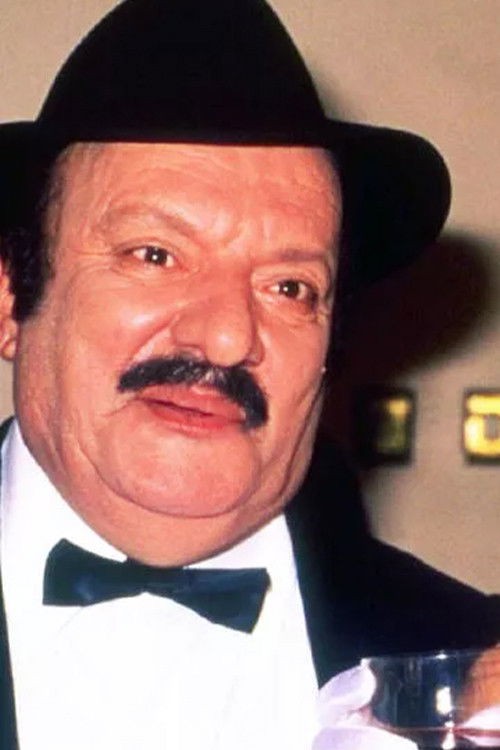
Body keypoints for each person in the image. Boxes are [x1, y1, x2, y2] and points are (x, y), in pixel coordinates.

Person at [0, 1, 497, 748]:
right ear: (11, 297)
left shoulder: (467, 659)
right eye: (155, 256)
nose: (228, 337)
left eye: (289, 287)